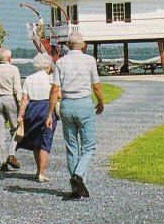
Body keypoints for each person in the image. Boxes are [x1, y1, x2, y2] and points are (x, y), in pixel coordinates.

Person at [48, 32, 104, 198]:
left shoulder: (60, 62)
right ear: (83, 45)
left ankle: (77, 188)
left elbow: (55, 89)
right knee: (88, 146)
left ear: (67, 45)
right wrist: (100, 102)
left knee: (71, 147)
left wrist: (49, 112)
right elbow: (96, 85)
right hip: (84, 103)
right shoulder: (89, 60)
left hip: (67, 104)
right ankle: (78, 175)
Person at [16, 53, 58, 182]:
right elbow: (58, 94)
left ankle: (37, 169)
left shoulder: (29, 79)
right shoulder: (51, 78)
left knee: (35, 140)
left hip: (32, 108)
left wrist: (20, 115)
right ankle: (41, 172)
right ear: (48, 64)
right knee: (46, 139)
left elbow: (24, 98)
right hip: (46, 106)